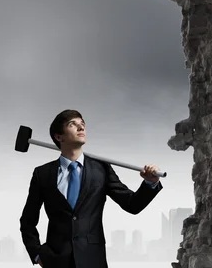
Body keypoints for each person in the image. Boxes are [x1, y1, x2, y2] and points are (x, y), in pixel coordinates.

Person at [20, 109, 163, 268]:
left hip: (93, 260)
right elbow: (27, 220)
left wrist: (150, 183)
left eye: (82, 124)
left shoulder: (101, 169)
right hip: (56, 261)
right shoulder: (42, 174)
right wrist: (37, 254)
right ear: (59, 136)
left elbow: (132, 205)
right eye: (72, 124)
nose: (81, 128)